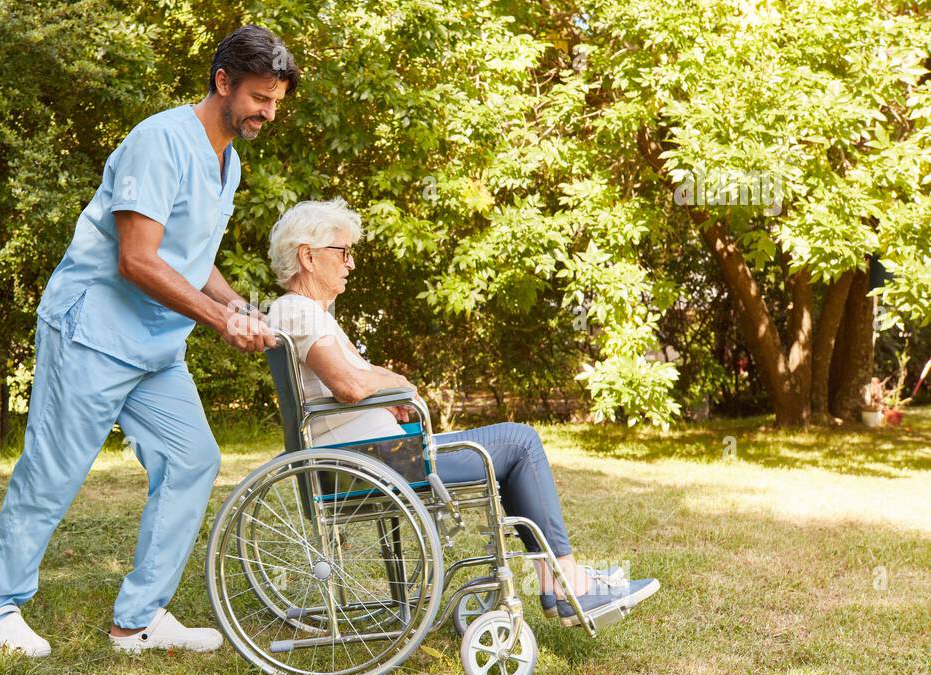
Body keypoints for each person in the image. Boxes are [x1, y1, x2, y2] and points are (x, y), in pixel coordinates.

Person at [0, 26, 296, 656]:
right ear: (222, 82)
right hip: (92, 331)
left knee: (193, 459)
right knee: (54, 472)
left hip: (154, 348)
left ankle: (138, 618)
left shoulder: (227, 162)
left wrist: (242, 309)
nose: (267, 113)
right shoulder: (160, 141)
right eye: (259, 97)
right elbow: (138, 261)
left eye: (275, 101)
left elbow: (192, 259)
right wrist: (220, 322)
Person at [263, 198, 659, 627]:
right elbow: (351, 384)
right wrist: (396, 386)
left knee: (511, 450)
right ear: (307, 255)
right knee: (521, 442)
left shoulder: (305, 313)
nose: (351, 263)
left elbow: (361, 378)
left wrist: (388, 384)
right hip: (376, 461)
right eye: (343, 252)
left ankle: (561, 579)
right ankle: (563, 582)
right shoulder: (297, 311)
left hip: (376, 454)